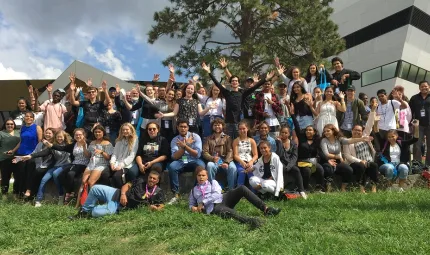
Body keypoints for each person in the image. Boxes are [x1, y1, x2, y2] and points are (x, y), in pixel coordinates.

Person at [189, 167, 280, 230]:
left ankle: (266, 209)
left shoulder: (213, 183)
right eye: (199, 175)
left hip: (224, 199)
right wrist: (192, 207)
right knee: (229, 212)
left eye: (203, 175)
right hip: (214, 208)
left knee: (242, 188)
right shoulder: (193, 190)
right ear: (196, 177)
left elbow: (217, 194)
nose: (201, 177)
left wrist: (203, 202)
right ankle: (252, 221)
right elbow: (191, 204)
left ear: (207, 176)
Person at [202, 62, 274, 139]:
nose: (234, 82)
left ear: (238, 83)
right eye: (232, 81)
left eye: (236, 81)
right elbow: (217, 83)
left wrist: (266, 79)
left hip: (239, 122)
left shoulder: (242, 93)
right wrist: (209, 72)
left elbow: (255, 87)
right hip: (228, 122)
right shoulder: (227, 93)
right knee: (228, 141)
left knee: (239, 140)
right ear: (230, 83)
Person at [69, 171, 165, 219]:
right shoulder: (140, 180)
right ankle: (83, 212)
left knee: (95, 213)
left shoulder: (158, 191)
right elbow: (126, 185)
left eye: (154, 179)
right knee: (95, 188)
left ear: (158, 181)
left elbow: (161, 205)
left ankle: (93, 210)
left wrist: (155, 208)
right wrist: (123, 194)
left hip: (119, 205)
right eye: (150, 177)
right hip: (116, 193)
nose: (151, 180)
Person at [23, 130, 72, 206]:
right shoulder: (52, 146)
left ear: (64, 137)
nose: (59, 138)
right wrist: (30, 156)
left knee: (55, 174)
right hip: (57, 165)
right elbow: (43, 153)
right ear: (55, 137)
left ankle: (61, 195)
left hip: (66, 165)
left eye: (61, 137)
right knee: (44, 179)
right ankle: (38, 200)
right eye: (58, 137)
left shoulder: (69, 145)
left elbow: (67, 151)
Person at [320, 124, 373, 192]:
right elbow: (326, 154)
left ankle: (343, 187)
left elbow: (349, 141)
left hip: (338, 161)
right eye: (324, 131)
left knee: (349, 169)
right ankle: (328, 186)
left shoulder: (339, 139)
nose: (326, 133)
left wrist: (362, 139)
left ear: (333, 131)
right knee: (328, 168)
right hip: (328, 160)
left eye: (328, 131)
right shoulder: (324, 140)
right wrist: (337, 156)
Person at [343, 101, 379, 193]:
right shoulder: (348, 141)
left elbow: (369, 124)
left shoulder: (365, 136)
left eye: (359, 131)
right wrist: (360, 161)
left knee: (374, 165)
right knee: (361, 166)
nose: (357, 132)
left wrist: (373, 110)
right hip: (356, 163)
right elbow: (347, 156)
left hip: (369, 161)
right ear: (352, 131)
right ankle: (361, 187)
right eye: (355, 130)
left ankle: (374, 186)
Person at [374, 119, 419, 191]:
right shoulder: (384, 143)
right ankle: (389, 187)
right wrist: (375, 122)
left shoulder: (402, 143)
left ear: (397, 136)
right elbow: (376, 133)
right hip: (386, 164)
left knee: (404, 168)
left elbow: (415, 139)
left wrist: (416, 127)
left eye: (392, 136)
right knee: (390, 168)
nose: (391, 138)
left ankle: (400, 187)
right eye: (389, 137)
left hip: (399, 163)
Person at [167, 119, 205, 204]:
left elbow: (197, 154)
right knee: (172, 167)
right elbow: (175, 156)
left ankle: (196, 192)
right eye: (181, 127)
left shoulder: (195, 137)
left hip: (193, 160)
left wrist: (185, 146)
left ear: (188, 127)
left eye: (185, 127)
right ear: (177, 127)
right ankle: (175, 194)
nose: (183, 129)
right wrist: (186, 145)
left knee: (201, 166)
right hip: (181, 160)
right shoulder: (175, 140)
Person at [14, 128, 56, 199]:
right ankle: (25, 191)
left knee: (37, 172)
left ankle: (29, 191)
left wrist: (29, 157)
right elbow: (34, 153)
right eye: (46, 133)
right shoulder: (40, 143)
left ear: (53, 135)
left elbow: (42, 153)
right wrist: (20, 158)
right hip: (39, 164)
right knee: (29, 165)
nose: (47, 135)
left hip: (48, 165)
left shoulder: (53, 145)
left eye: (49, 133)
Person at [51, 128, 90, 205]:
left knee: (70, 174)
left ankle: (69, 193)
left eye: (80, 135)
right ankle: (70, 191)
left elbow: (88, 156)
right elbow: (62, 148)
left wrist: (84, 146)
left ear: (83, 135)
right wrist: (51, 145)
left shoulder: (88, 143)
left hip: (83, 164)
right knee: (60, 175)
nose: (78, 136)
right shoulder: (74, 144)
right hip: (74, 163)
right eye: (76, 135)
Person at [202, 118, 237, 190]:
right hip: (214, 160)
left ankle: (231, 190)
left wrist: (227, 162)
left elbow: (230, 151)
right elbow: (205, 152)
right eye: (215, 125)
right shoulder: (208, 138)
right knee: (209, 165)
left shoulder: (228, 138)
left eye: (219, 125)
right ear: (212, 127)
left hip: (226, 160)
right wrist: (212, 158)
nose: (217, 127)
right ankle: (212, 188)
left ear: (223, 126)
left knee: (233, 168)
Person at [14, 112, 43, 197]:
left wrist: (37, 154)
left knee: (29, 174)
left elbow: (40, 142)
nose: (29, 118)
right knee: (21, 174)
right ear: (24, 118)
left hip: (31, 155)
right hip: (21, 154)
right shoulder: (22, 128)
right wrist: (13, 150)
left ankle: (30, 193)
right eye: (27, 116)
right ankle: (21, 193)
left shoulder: (37, 128)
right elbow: (21, 141)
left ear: (33, 118)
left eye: (31, 117)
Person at [275, 126, 307, 198]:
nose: (284, 134)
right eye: (282, 132)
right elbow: (278, 155)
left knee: (296, 170)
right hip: (281, 162)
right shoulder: (277, 142)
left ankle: (301, 190)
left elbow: (294, 157)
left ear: (289, 134)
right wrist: (280, 143)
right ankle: (281, 190)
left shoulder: (293, 144)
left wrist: (289, 166)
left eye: (286, 133)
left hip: (290, 163)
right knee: (281, 169)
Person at [80, 125, 114, 190]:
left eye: (99, 132)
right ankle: (82, 199)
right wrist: (84, 146)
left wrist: (101, 152)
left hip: (101, 164)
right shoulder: (92, 143)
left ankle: (93, 198)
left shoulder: (107, 143)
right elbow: (88, 155)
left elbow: (108, 157)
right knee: (83, 181)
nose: (97, 133)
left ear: (103, 132)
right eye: (95, 132)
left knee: (90, 182)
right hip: (91, 163)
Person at [110, 123, 139, 189]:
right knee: (105, 173)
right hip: (116, 162)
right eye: (123, 130)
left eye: (127, 129)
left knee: (116, 176)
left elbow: (132, 156)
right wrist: (112, 163)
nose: (125, 131)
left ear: (131, 130)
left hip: (127, 164)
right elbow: (115, 153)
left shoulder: (135, 139)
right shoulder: (119, 140)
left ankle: (121, 192)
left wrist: (121, 165)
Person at [410, 81, 430, 166]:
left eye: (425, 86)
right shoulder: (414, 98)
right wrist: (411, 122)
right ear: (419, 88)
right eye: (422, 86)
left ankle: (428, 165)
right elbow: (410, 111)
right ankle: (416, 166)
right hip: (418, 125)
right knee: (417, 145)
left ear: (429, 87)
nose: (424, 88)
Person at [233, 121, 259, 187]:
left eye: (244, 128)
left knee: (251, 174)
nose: (242, 130)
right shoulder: (236, 141)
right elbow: (235, 155)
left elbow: (255, 155)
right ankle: (239, 192)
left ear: (247, 129)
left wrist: (251, 162)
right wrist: (242, 162)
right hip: (240, 162)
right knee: (242, 173)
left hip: (249, 162)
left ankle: (253, 193)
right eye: (240, 129)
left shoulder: (252, 141)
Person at [0, 119, 21, 198]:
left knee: (17, 177)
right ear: (5, 125)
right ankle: (4, 194)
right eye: (8, 124)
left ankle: (15, 193)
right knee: (5, 177)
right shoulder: (1, 133)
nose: (10, 125)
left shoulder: (18, 133)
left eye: (11, 124)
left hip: (17, 158)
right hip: (4, 159)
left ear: (14, 125)